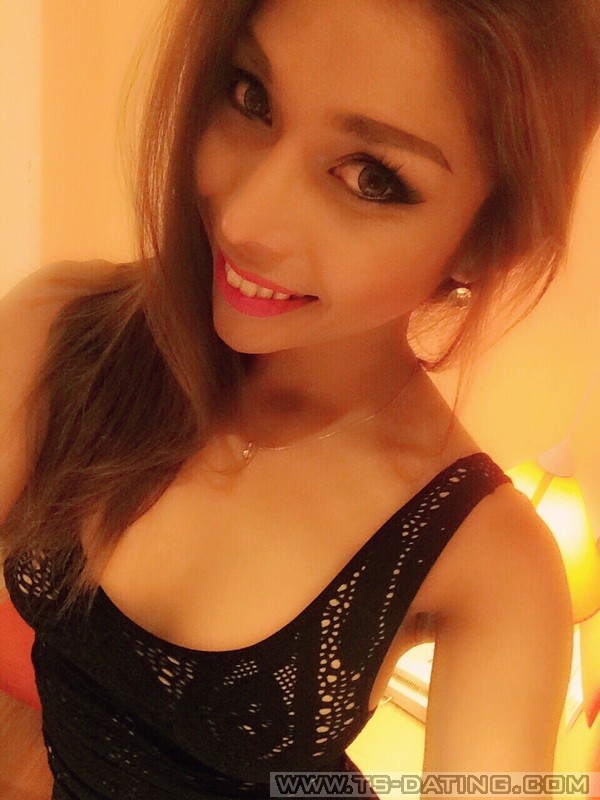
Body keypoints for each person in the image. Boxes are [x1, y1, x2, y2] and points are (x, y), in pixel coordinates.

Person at [1, 0, 599, 798]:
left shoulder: (490, 562)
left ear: (486, 240)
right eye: (251, 96)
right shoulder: (63, 335)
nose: (245, 219)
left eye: (371, 177)